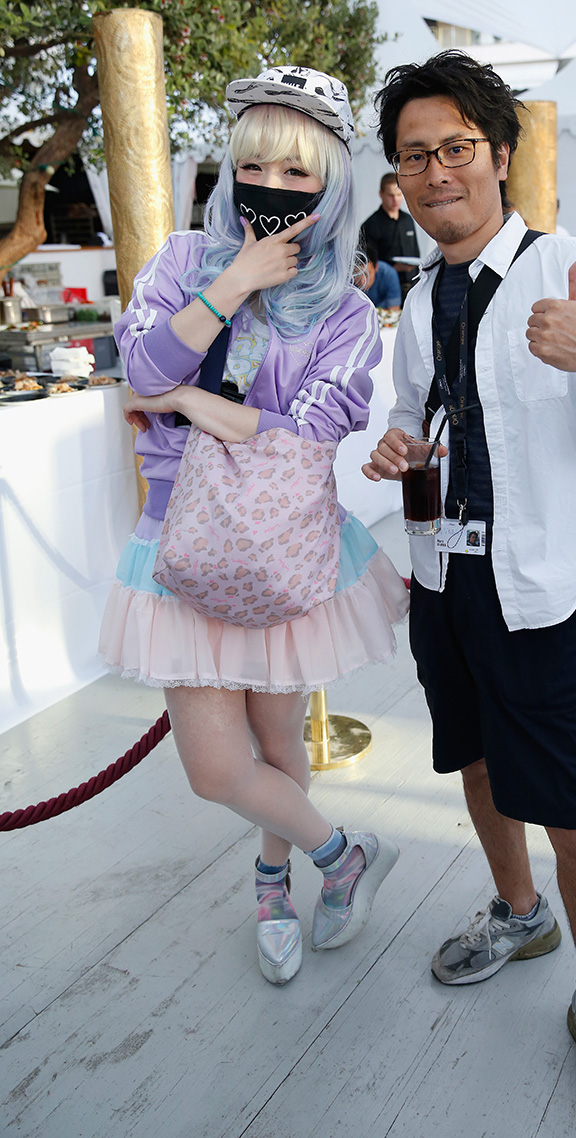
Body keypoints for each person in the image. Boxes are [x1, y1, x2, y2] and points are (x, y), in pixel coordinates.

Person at [362, 50, 576, 1128]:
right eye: (414, 156)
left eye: (455, 147)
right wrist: (400, 448)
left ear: (498, 155)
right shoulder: (418, 298)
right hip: (444, 573)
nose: (436, 171)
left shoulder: (571, 266)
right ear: (397, 180)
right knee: (475, 756)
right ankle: (516, 910)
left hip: (547, 586)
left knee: (571, 801)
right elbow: (424, 416)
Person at [99, 66, 408, 987]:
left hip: (279, 547)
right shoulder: (187, 262)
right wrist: (230, 283)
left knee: (280, 750)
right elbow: (139, 366)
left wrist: (185, 398)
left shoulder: (348, 312)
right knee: (215, 768)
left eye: (298, 172)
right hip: (178, 545)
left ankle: (275, 887)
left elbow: (308, 438)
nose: (272, 186)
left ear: (332, 183)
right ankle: (343, 855)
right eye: (254, 165)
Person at [361, 172, 421, 301]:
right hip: (385, 291)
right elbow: (368, 263)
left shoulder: (408, 220)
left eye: (399, 195)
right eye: (391, 195)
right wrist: (394, 267)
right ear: (381, 194)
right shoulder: (371, 224)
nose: (395, 200)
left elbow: (415, 252)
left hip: (411, 286)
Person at [358, 243, 402, 310]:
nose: (362, 281)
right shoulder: (346, 279)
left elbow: (394, 310)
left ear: (376, 268)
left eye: (366, 274)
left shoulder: (389, 274)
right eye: (357, 275)